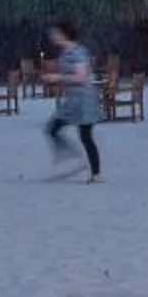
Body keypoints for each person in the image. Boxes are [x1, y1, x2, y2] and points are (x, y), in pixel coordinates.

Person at [43, 21, 101, 180]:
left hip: (83, 98)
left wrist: (57, 77)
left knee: (85, 135)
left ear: (63, 34)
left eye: (55, 33)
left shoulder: (78, 52)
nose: (52, 36)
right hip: (73, 98)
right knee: (53, 129)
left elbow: (81, 77)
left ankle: (93, 171)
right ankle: (74, 160)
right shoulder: (65, 52)